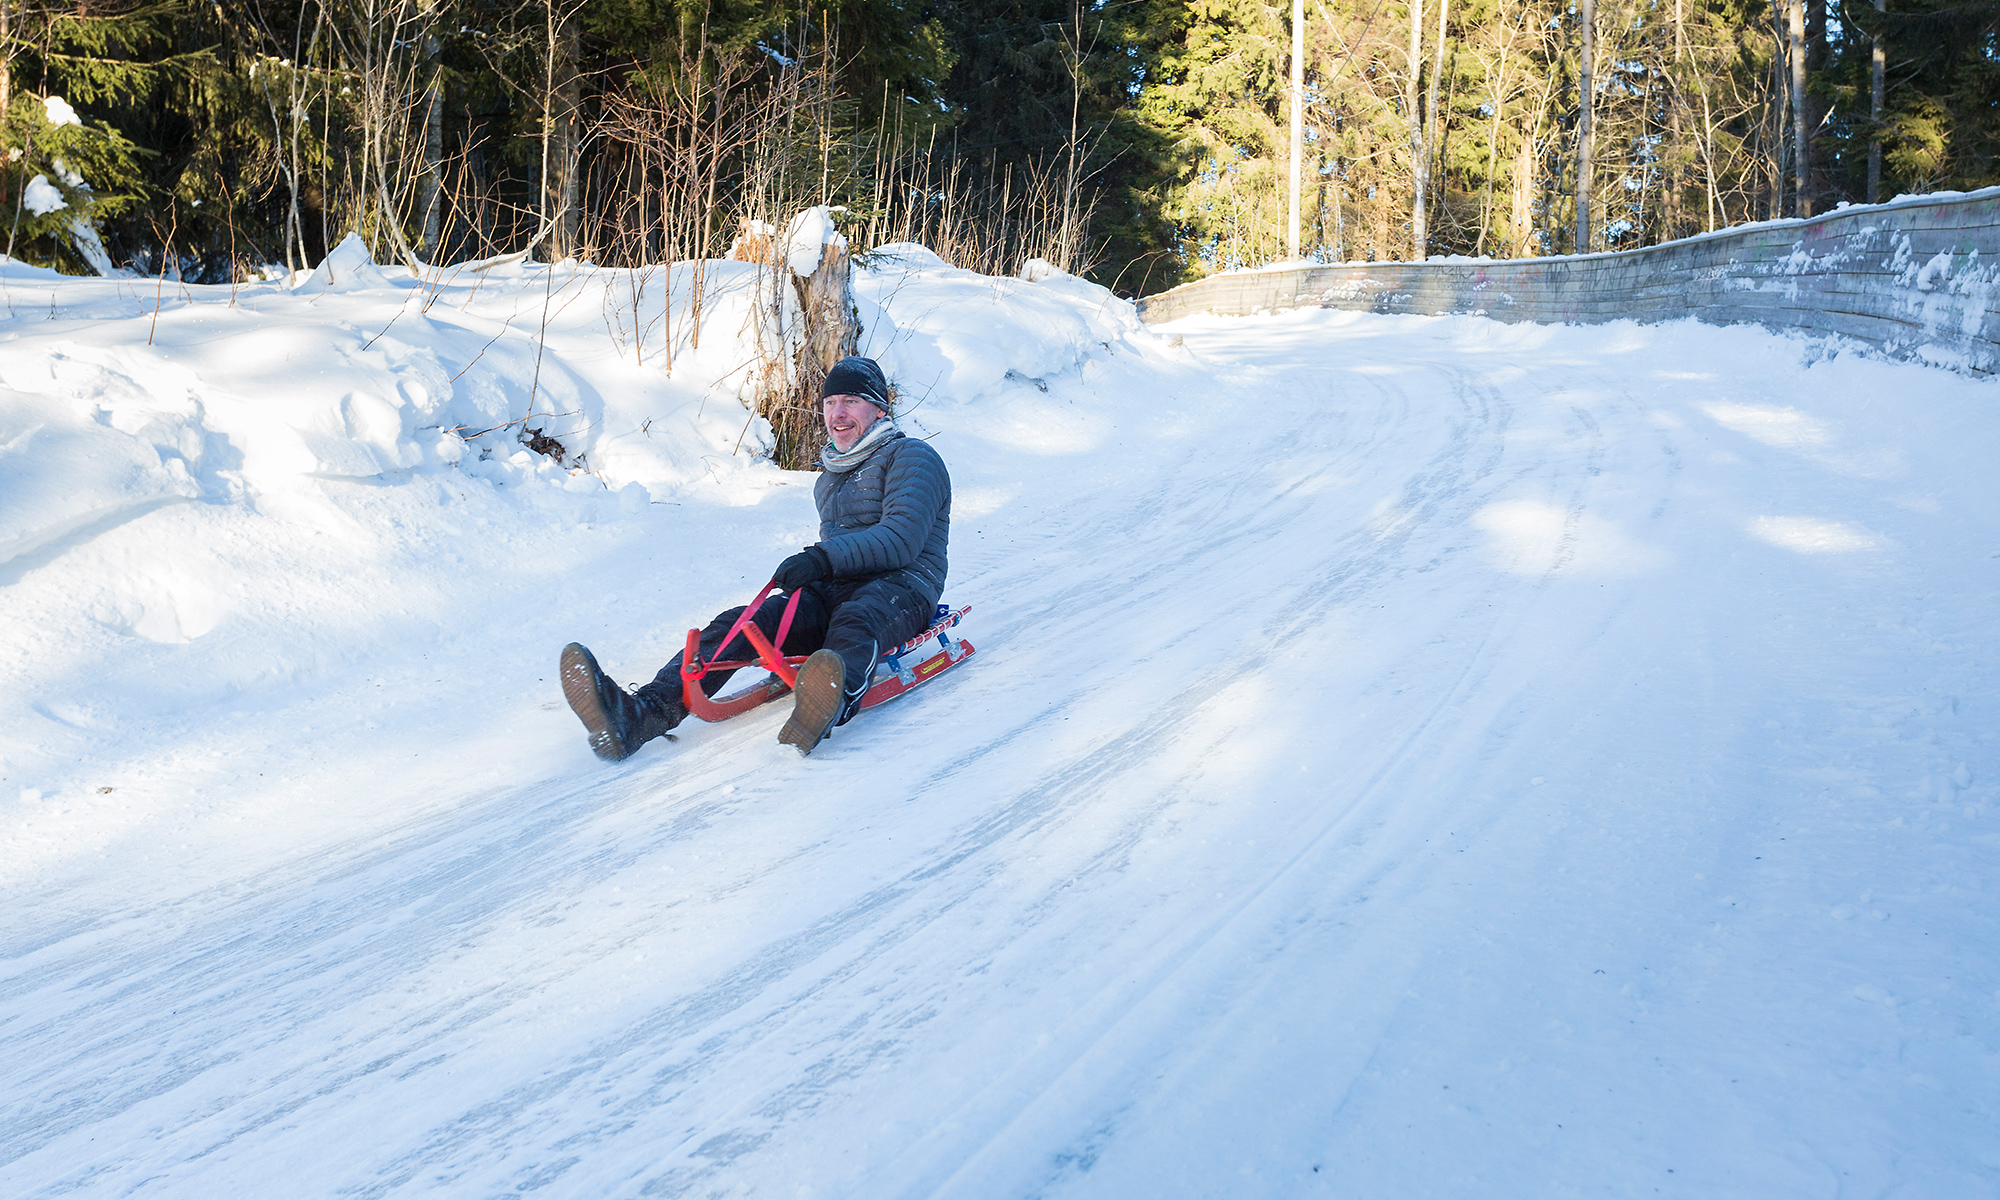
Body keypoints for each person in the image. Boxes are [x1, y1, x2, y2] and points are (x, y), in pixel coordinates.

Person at [560, 355, 951, 759]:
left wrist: (821, 560)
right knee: (743, 623)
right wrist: (816, 573)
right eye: (830, 402)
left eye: (851, 400)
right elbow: (839, 553)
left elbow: (900, 539)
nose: (838, 413)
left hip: (902, 589)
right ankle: (639, 716)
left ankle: (828, 700)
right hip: (833, 591)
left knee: (857, 620)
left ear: (879, 408)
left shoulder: (913, 458)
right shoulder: (829, 477)